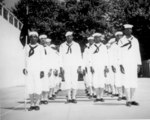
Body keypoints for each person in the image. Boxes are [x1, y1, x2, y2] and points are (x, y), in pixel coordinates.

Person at [121, 24, 141, 106]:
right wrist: (120, 65)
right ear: (124, 31)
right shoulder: (121, 41)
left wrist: (139, 64)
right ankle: (128, 100)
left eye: (130, 29)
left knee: (134, 82)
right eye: (127, 29)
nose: (129, 31)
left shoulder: (135, 40)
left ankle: (131, 99)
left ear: (131, 30)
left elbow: (137, 52)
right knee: (127, 82)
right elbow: (119, 54)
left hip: (133, 63)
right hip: (125, 64)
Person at [23, 31, 44, 111]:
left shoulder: (40, 47)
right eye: (31, 36)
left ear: (37, 38)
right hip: (29, 69)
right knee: (30, 87)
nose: (33, 38)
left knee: (38, 86)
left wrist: (42, 70)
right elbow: (24, 58)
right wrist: (24, 68)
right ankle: (32, 104)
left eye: (35, 36)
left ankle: (37, 103)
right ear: (29, 38)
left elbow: (43, 60)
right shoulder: (26, 47)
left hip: (38, 70)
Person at [59, 31, 82, 103]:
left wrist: (79, 66)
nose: (69, 37)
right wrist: (61, 67)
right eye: (68, 36)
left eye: (70, 36)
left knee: (74, 81)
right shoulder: (62, 45)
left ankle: (74, 97)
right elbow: (60, 57)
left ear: (72, 37)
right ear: (66, 37)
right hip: (66, 65)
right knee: (67, 81)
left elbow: (79, 56)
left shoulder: (76, 45)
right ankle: (69, 97)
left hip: (74, 65)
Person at [90, 33, 108, 102]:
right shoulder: (91, 47)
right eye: (95, 37)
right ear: (94, 38)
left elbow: (106, 57)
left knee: (102, 81)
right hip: (94, 66)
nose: (97, 39)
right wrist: (91, 66)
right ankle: (97, 96)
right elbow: (90, 58)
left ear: (100, 38)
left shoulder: (103, 46)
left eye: (98, 37)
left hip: (102, 66)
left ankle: (102, 96)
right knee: (95, 81)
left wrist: (106, 66)